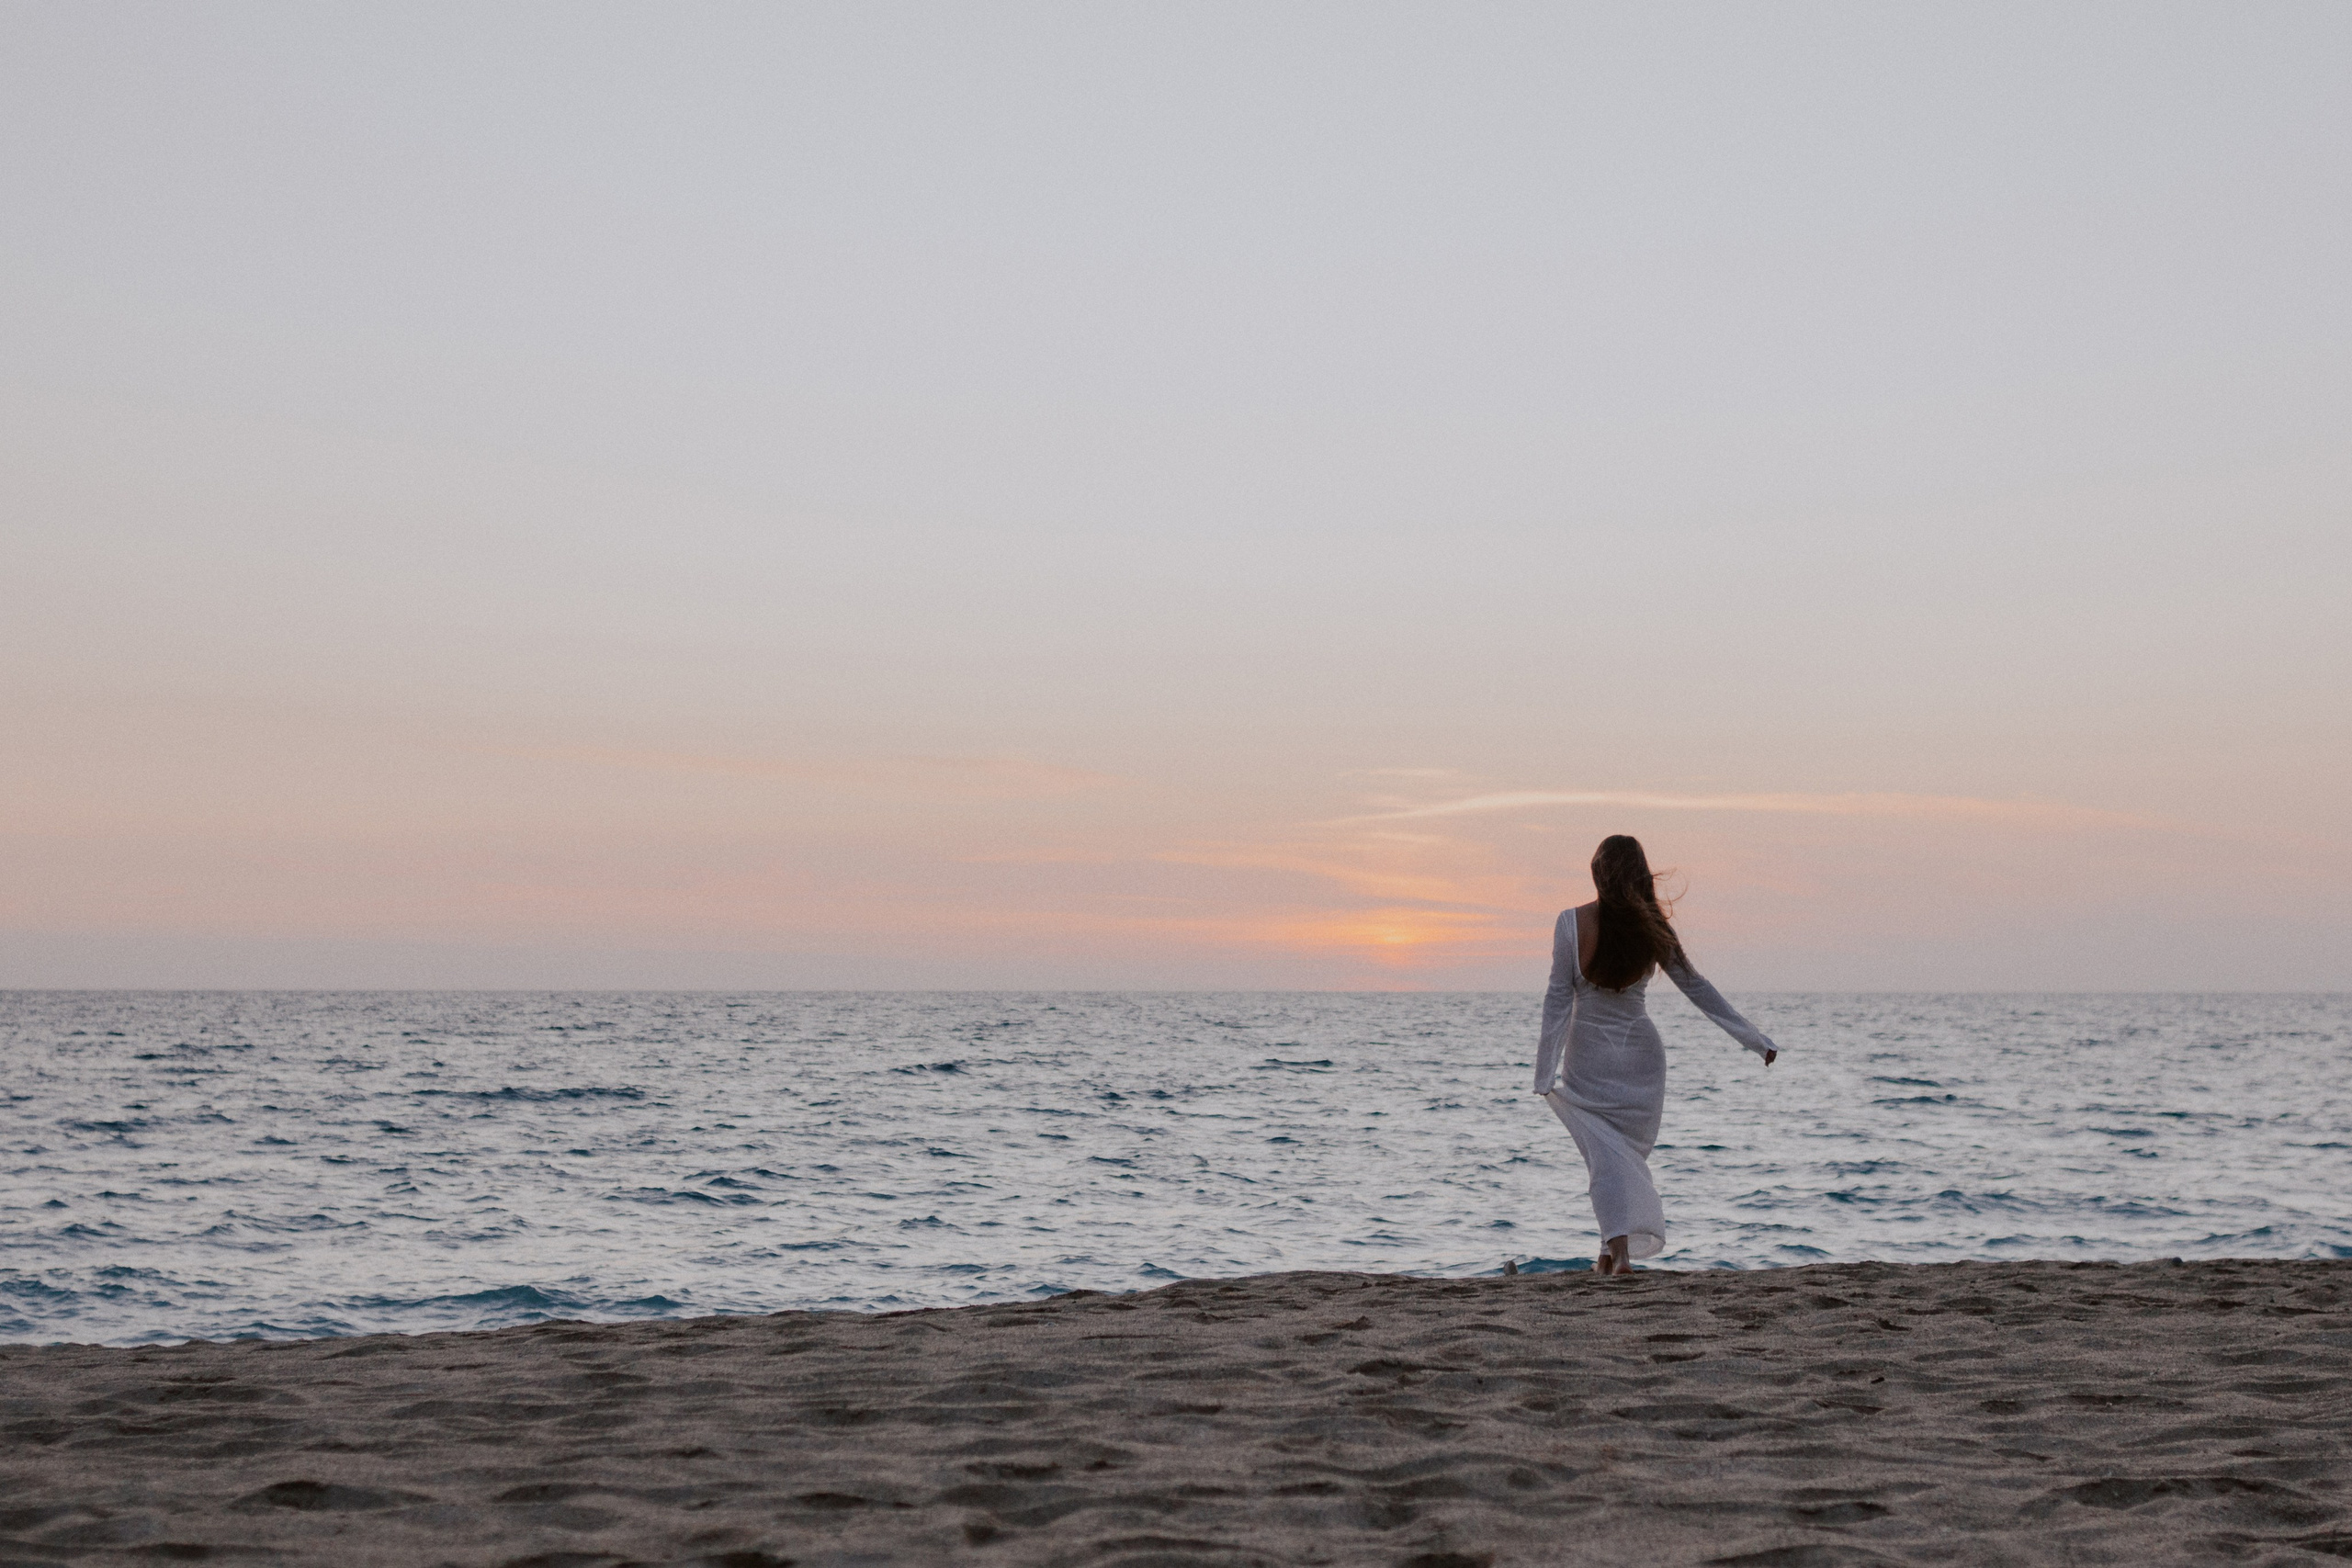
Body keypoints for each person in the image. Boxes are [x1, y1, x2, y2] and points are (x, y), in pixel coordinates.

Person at [1532, 834, 1779, 1275]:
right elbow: (1697, 988)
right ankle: (1609, 1253)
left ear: (1598, 872)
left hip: (1588, 1056)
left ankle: (1619, 1254)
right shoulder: (1652, 927)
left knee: (1605, 1160)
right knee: (1616, 1159)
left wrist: (1544, 1070)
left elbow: (1556, 1000)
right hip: (1641, 1058)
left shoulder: (1570, 923)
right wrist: (1755, 1040)